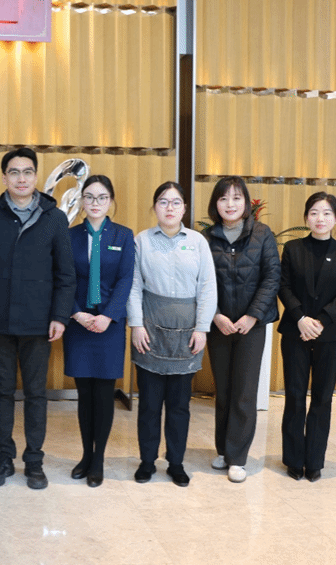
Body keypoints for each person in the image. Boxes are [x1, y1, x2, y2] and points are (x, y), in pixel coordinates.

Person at [0, 147, 76, 490]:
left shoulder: (55, 218)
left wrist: (60, 316)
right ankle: (3, 459)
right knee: (2, 392)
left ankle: (34, 461)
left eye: (28, 172)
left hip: (39, 323)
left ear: (36, 176)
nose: (21, 178)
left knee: (35, 394)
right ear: (4, 177)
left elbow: (66, 274)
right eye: (14, 172)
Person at [128, 181, 216, 487]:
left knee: (179, 405)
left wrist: (202, 328)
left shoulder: (197, 242)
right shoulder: (142, 240)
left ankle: (176, 462)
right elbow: (133, 285)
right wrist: (136, 324)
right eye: (163, 202)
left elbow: (207, 287)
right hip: (149, 330)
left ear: (184, 208)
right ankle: (147, 461)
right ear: (155, 207)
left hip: (187, 333)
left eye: (176, 202)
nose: (169, 207)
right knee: (149, 404)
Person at [204, 177, 280, 483]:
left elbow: (272, 277)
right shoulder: (206, 238)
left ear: (247, 203)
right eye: (224, 198)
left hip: (252, 326)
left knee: (244, 392)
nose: (230, 204)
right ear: (215, 204)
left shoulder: (262, 234)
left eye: (237, 198)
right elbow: (200, 281)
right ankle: (224, 451)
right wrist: (216, 315)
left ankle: (238, 458)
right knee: (223, 390)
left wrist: (252, 316)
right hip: (219, 325)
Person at [278, 192, 336, 483]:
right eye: (314, 212)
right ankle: (293, 460)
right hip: (295, 331)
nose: (320, 218)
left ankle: (314, 461)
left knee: (322, 398)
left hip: (330, 335)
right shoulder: (293, 248)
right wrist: (300, 318)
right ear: (306, 217)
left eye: (326, 213)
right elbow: (284, 286)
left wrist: (320, 321)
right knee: (295, 396)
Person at [63, 175, 134, 488]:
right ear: (81, 201)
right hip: (79, 323)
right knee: (84, 395)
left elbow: (126, 279)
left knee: (104, 395)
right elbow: (63, 277)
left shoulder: (123, 235)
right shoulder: (70, 236)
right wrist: (76, 312)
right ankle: (85, 455)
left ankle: (99, 458)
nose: (95, 203)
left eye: (102, 197)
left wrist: (108, 316)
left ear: (111, 201)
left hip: (109, 326)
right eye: (89, 197)